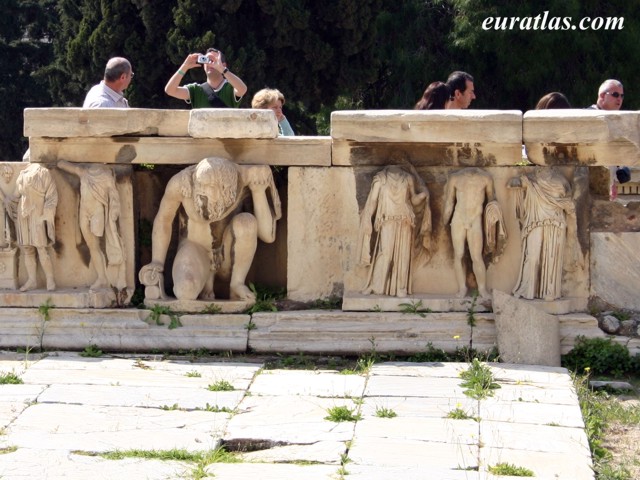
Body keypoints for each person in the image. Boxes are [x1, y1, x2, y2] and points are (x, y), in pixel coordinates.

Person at [139, 157, 281, 302]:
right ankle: (205, 278)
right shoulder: (182, 184)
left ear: (227, 189)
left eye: (211, 188)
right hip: (195, 248)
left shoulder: (247, 177)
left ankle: (236, 284)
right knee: (185, 291)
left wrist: (258, 192)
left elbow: (267, 236)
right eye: (201, 185)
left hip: (228, 256)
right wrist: (157, 262)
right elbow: (164, 220)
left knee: (247, 222)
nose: (202, 191)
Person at [357, 165, 430, 297]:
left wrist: (422, 195)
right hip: (387, 219)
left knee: (403, 254)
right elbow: (373, 201)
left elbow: (413, 200)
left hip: (405, 219)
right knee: (385, 253)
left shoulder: (408, 178)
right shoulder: (380, 179)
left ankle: (400, 287)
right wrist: (368, 217)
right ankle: (375, 285)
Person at [507, 168, 578, 301]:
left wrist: (568, 208)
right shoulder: (530, 179)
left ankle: (550, 291)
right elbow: (511, 184)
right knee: (532, 256)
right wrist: (517, 181)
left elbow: (569, 202)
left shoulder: (561, 181)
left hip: (555, 223)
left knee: (552, 257)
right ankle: (527, 289)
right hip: (535, 221)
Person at [57, 161, 126, 291]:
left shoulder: (106, 176)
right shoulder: (85, 173)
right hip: (84, 211)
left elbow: (114, 195)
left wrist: (114, 212)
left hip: (97, 212)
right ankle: (102, 278)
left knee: (96, 243)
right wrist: (60, 162)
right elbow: (72, 167)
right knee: (92, 246)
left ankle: (104, 278)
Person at [443, 168, 505, 298]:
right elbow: (449, 201)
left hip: (475, 219)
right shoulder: (455, 178)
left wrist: (495, 212)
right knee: (458, 254)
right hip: (458, 219)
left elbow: (491, 199)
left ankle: (482, 289)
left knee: (476, 256)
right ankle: (462, 288)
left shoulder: (485, 178)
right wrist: (444, 220)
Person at [13, 163, 58, 291]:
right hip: (24, 215)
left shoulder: (43, 173)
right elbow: (16, 195)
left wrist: (46, 214)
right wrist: (6, 201)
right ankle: (32, 280)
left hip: (37, 214)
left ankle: (50, 279)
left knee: (41, 248)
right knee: (27, 248)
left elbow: (52, 196)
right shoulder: (22, 175)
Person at [165, 48, 247, 108]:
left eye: (214, 60)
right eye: (206, 60)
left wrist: (222, 69)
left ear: (224, 65)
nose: (210, 63)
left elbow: (242, 89)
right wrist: (184, 66)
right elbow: (170, 90)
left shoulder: (231, 87)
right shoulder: (195, 90)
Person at [585, 80, 625, 200]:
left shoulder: (614, 120)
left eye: (622, 96)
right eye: (615, 95)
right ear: (602, 95)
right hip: (586, 184)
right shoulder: (587, 117)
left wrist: (613, 180)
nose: (619, 99)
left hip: (606, 186)